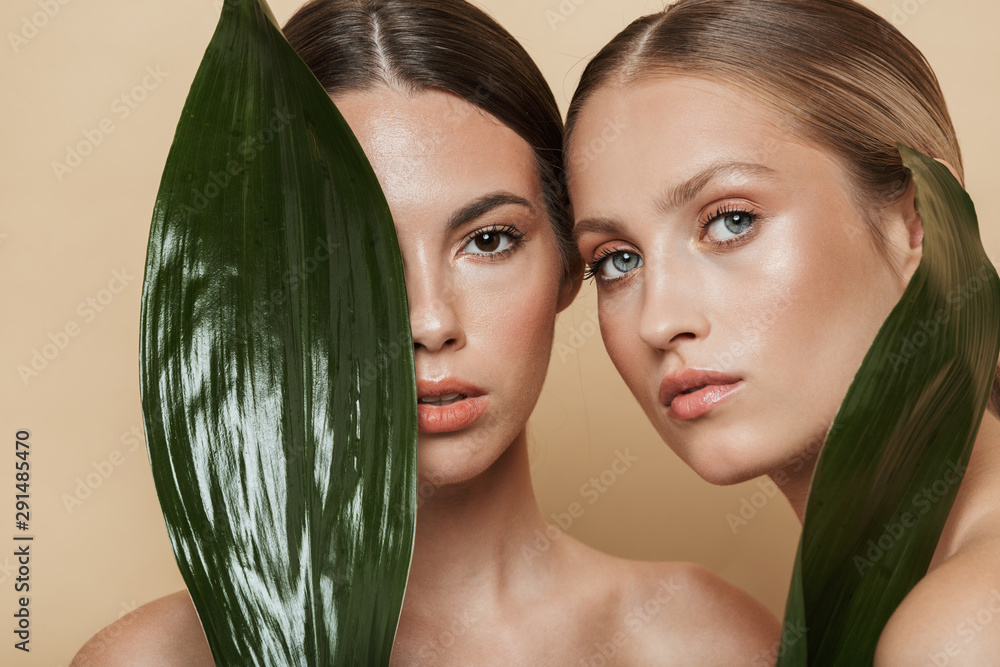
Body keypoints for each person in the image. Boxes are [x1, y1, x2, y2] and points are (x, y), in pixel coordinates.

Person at [71, 1, 779, 665]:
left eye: (491, 239)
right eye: (354, 254)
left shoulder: (702, 641)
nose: (431, 321)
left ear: (570, 262)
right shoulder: (156, 657)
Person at [565, 0, 1000, 663]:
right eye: (617, 260)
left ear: (918, 221)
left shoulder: (960, 628)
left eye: (731, 220)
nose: (660, 321)